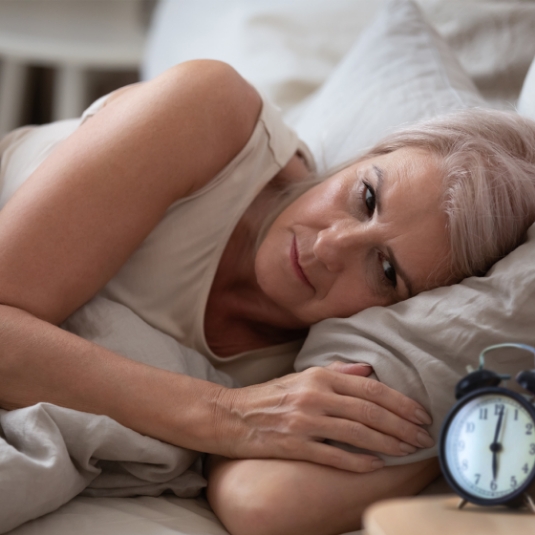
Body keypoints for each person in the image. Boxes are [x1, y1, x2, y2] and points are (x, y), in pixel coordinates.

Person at [0, 60, 534, 535]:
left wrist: (450, 422)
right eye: (366, 197)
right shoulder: (211, 111)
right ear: (364, 158)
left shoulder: (323, 368)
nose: (330, 246)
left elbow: (256, 505)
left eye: (387, 271)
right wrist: (227, 414)